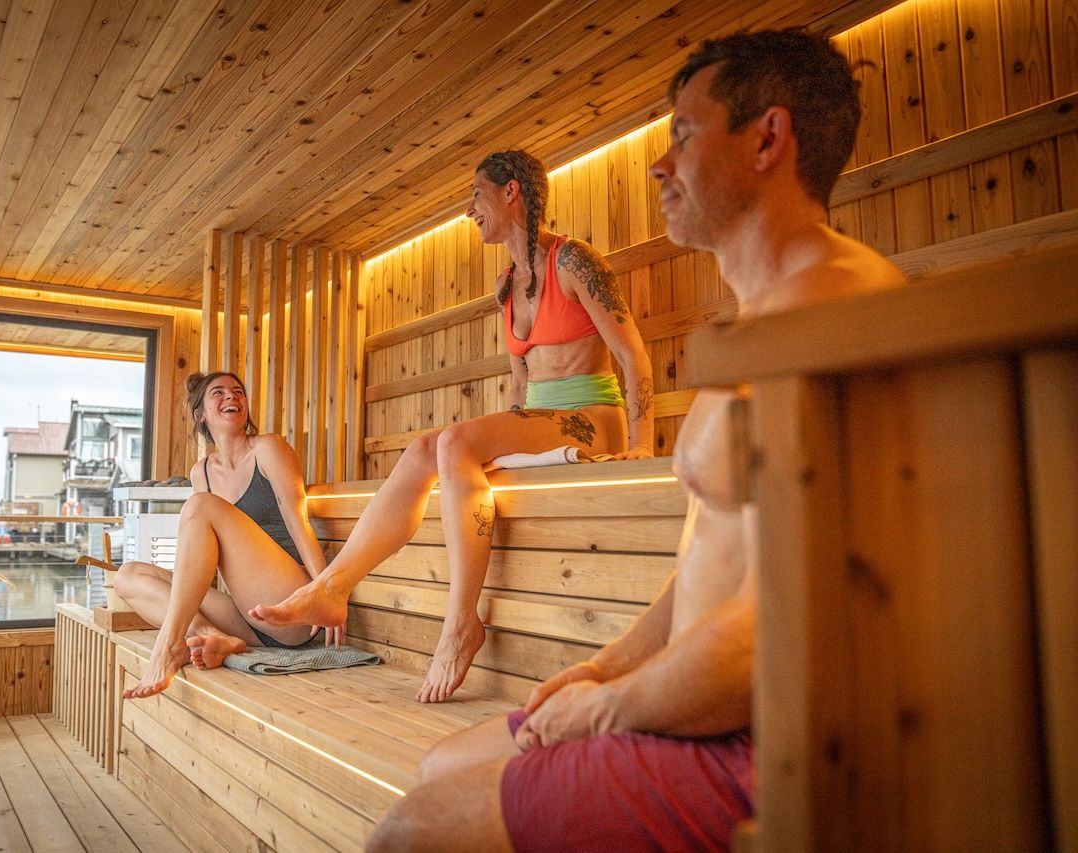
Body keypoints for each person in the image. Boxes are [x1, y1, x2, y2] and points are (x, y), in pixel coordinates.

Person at [365, 28, 906, 851]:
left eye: (682, 136)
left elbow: (789, 621)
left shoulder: (830, 312)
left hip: (770, 747)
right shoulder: (766, 321)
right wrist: (602, 668)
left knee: (413, 831)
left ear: (768, 138)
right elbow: (703, 575)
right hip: (703, 704)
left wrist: (613, 708)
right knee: (439, 764)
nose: (658, 165)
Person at [251, 149, 657, 703]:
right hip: (540, 419)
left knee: (455, 442)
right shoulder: (506, 285)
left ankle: (462, 619)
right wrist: (505, 434)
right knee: (425, 448)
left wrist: (642, 448)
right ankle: (333, 586)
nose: (469, 210)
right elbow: (520, 388)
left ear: (511, 191)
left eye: (476, 195)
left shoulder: (574, 262)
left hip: (591, 419)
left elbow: (632, 356)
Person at [117, 371, 340, 699]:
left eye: (238, 392)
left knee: (201, 506)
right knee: (127, 575)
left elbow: (298, 521)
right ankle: (207, 634)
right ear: (201, 415)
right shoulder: (201, 473)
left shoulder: (268, 448)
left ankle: (169, 645)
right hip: (245, 617)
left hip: (290, 606)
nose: (232, 397)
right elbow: (204, 564)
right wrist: (206, 614)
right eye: (218, 393)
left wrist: (325, 592)